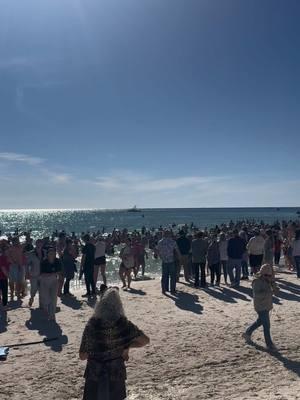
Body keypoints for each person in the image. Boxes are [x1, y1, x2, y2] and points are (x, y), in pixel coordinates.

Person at [79, 287, 149, 400]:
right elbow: (145, 340)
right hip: (116, 373)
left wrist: (99, 348)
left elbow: (82, 355)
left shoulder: (92, 324)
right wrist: (126, 345)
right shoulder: (123, 324)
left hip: (94, 373)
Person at [243, 264, 279, 351]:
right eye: (267, 275)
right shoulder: (257, 281)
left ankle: (247, 333)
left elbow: (276, 291)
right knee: (267, 325)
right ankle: (269, 344)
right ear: (262, 274)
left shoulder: (269, 280)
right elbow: (257, 295)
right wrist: (269, 292)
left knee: (259, 322)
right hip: (260, 306)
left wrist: (274, 284)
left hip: (267, 305)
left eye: (270, 275)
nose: (268, 276)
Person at [39, 247, 62, 321]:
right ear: (47, 254)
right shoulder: (44, 262)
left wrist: (53, 274)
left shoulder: (57, 261)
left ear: (55, 253)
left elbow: (60, 272)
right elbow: (42, 274)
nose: (52, 254)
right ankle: (46, 308)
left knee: (53, 298)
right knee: (46, 298)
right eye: (50, 253)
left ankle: (52, 315)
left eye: (53, 253)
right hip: (44, 281)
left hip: (54, 281)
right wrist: (51, 274)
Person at [156, 230, 179, 294]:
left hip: (164, 261)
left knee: (164, 276)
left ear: (163, 234)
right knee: (172, 276)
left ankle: (164, 289)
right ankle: (172, 290)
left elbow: (157, 251)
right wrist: (179, 257)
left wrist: (160, 257)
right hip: (171, 260)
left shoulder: (160, 242)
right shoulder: (172, 241)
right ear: (169, 234)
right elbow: (177, 250)